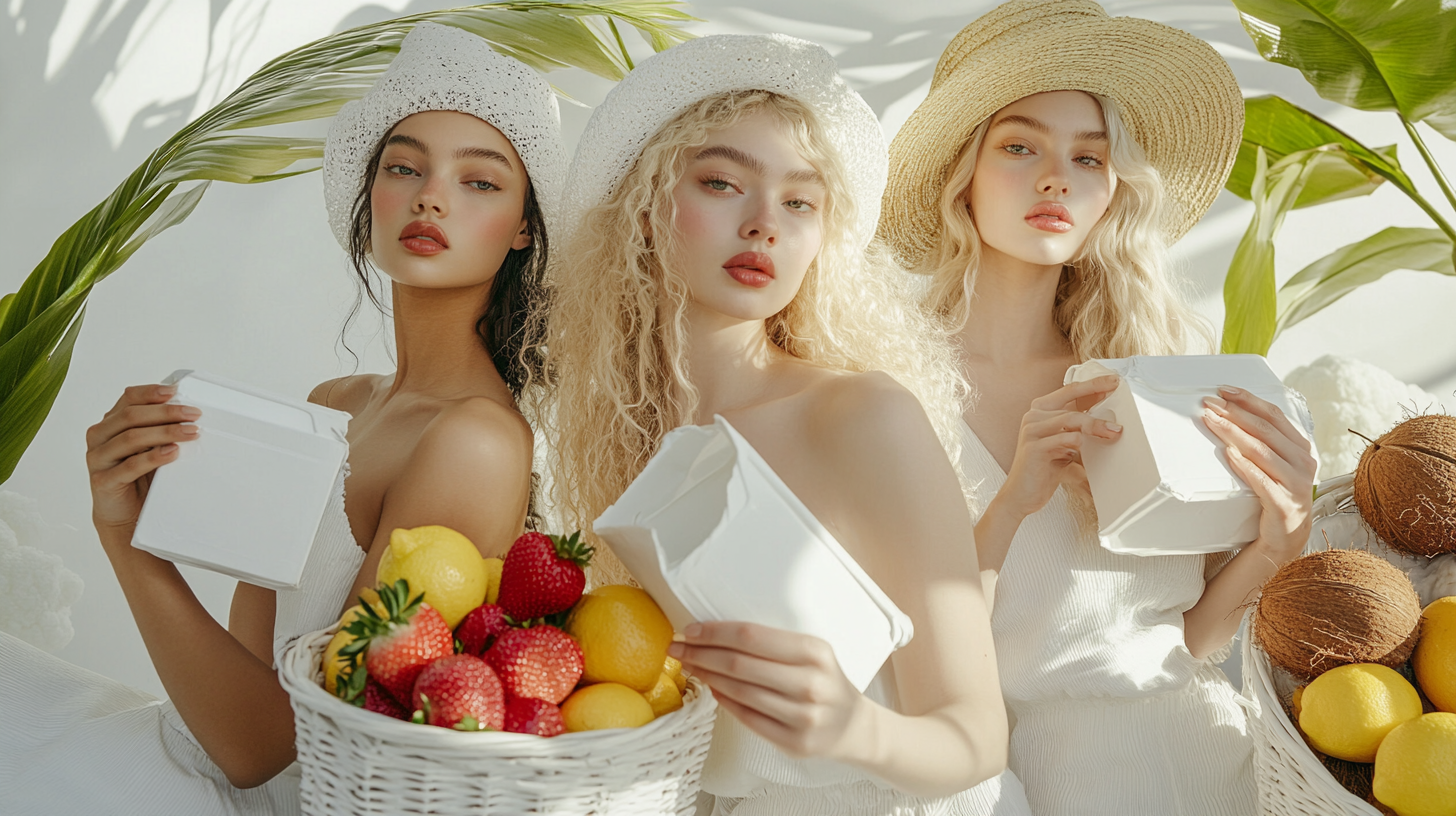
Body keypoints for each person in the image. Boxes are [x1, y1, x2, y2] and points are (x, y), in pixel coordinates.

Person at [0, 23, 564, 814]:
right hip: (177, 749)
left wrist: (123, 537)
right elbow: (239, 679)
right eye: (405, 167)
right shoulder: (336, 403)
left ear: (524, 228)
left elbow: (262, 750)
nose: (431, 194)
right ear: (373, 198)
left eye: (481, 182)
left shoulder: (474, 443)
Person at [538, 33, 1032, 816]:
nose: (766, 222)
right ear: (642, 211)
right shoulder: (616, 441)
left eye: (800, 201)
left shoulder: (863, 415)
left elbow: (976, 741)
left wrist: (851, 725)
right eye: (723, 183)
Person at [878, 2, 1317, 814]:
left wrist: (1274, 544)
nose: (1058, 179)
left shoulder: (1153, 378)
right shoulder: (885, 391)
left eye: (1090, 158)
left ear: (1113, 191)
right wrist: (1014, 501)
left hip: (1209, 764)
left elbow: (1188, 643)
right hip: (1028, 778)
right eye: (1020, 147)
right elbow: (902, 659)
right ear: (960, 174)